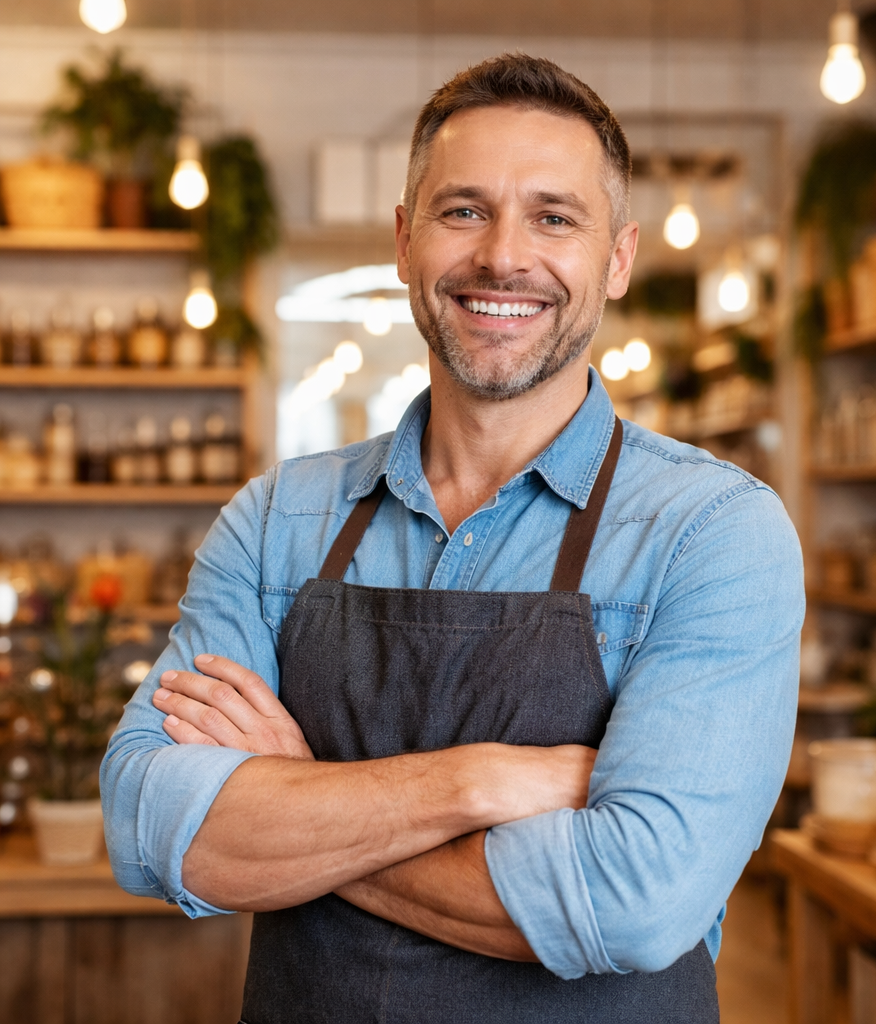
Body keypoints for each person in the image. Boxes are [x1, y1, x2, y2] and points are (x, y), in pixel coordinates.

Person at [101, 53, 804, 1023]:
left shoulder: (711, 531)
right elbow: (152, 824)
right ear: (403, 240)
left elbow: (635, 900)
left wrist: (301, 800)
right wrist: (486, 781)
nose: (502, 257)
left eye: (554, 217)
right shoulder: (276, 520)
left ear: (618, 259)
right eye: (462, 209)